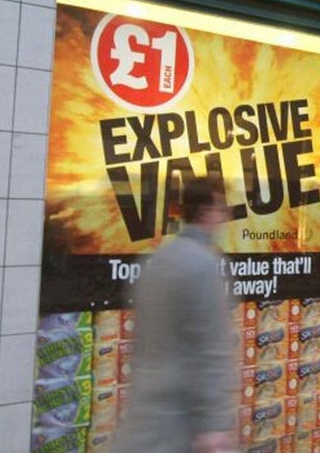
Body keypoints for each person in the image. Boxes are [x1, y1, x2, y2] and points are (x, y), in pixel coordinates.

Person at [113, 176, 237, 453]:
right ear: (206, 211)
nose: (225, 218)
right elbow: (211, 350)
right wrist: (214, 423)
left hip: (143, 415)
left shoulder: (153, 261)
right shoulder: (205, 265)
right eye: (222, 209)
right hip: (180, 422)